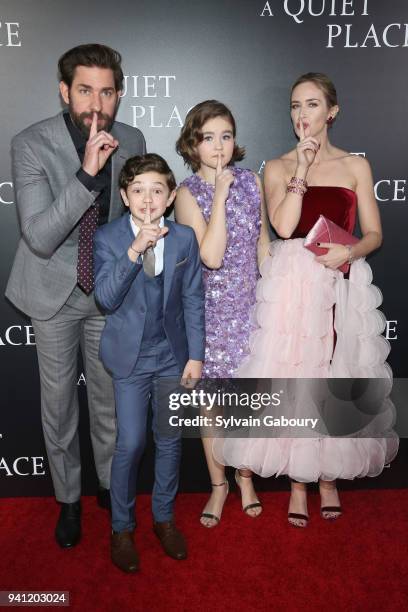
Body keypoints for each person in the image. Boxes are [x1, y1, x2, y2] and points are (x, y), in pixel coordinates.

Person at [213, 73, 398, 527]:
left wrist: (350, 250)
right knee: (294, 380)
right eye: (296, 106)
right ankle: (299, 482)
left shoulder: (356, 166)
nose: (302, 115)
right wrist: (300, 168)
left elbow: (374, 234)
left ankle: (328, 479)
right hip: (293, 285)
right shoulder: (275, 167)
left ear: (331, 111)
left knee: (333, 376)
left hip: (338, 281)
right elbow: (281, 225)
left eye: (312, 105)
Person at [5, 44, 146, 548]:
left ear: (119, 94)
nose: (96, 102)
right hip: (53, 292)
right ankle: (68, 500)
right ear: (65, 91)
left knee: (108, 403)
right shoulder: (30, 143)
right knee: (60, 406)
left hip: (108, 293)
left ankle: (110, 492)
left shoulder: (131, 138)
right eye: (85, 90)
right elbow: (40, 236)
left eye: (106, 91)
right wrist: (87, 173)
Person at [94, 153, 205, 572]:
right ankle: (121, 527)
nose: (147, 198)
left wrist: (196, 354)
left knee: (170, 441)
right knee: (132, 442)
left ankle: (164, 519)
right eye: (137, 190)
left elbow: (194, 299)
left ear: (171, 195)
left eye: (157, 189)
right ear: (124, 195)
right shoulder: (107, 239)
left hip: (171, 357)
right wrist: (134, 250)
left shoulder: (184, 239)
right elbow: (104, 298)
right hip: (130, 358)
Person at [175, 100, 270, 527]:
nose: (218, 146)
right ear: (193, 144)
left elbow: (263, 245)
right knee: (211, 407)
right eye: (208, 137)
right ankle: (219, 485)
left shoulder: (252, 181)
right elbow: (211, 256)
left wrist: (276, 299)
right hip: (210, 316)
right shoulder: (184, 194)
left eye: (226, 136)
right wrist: (219, 193)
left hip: (251, 309)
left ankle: (246, 478)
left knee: (246, 402)